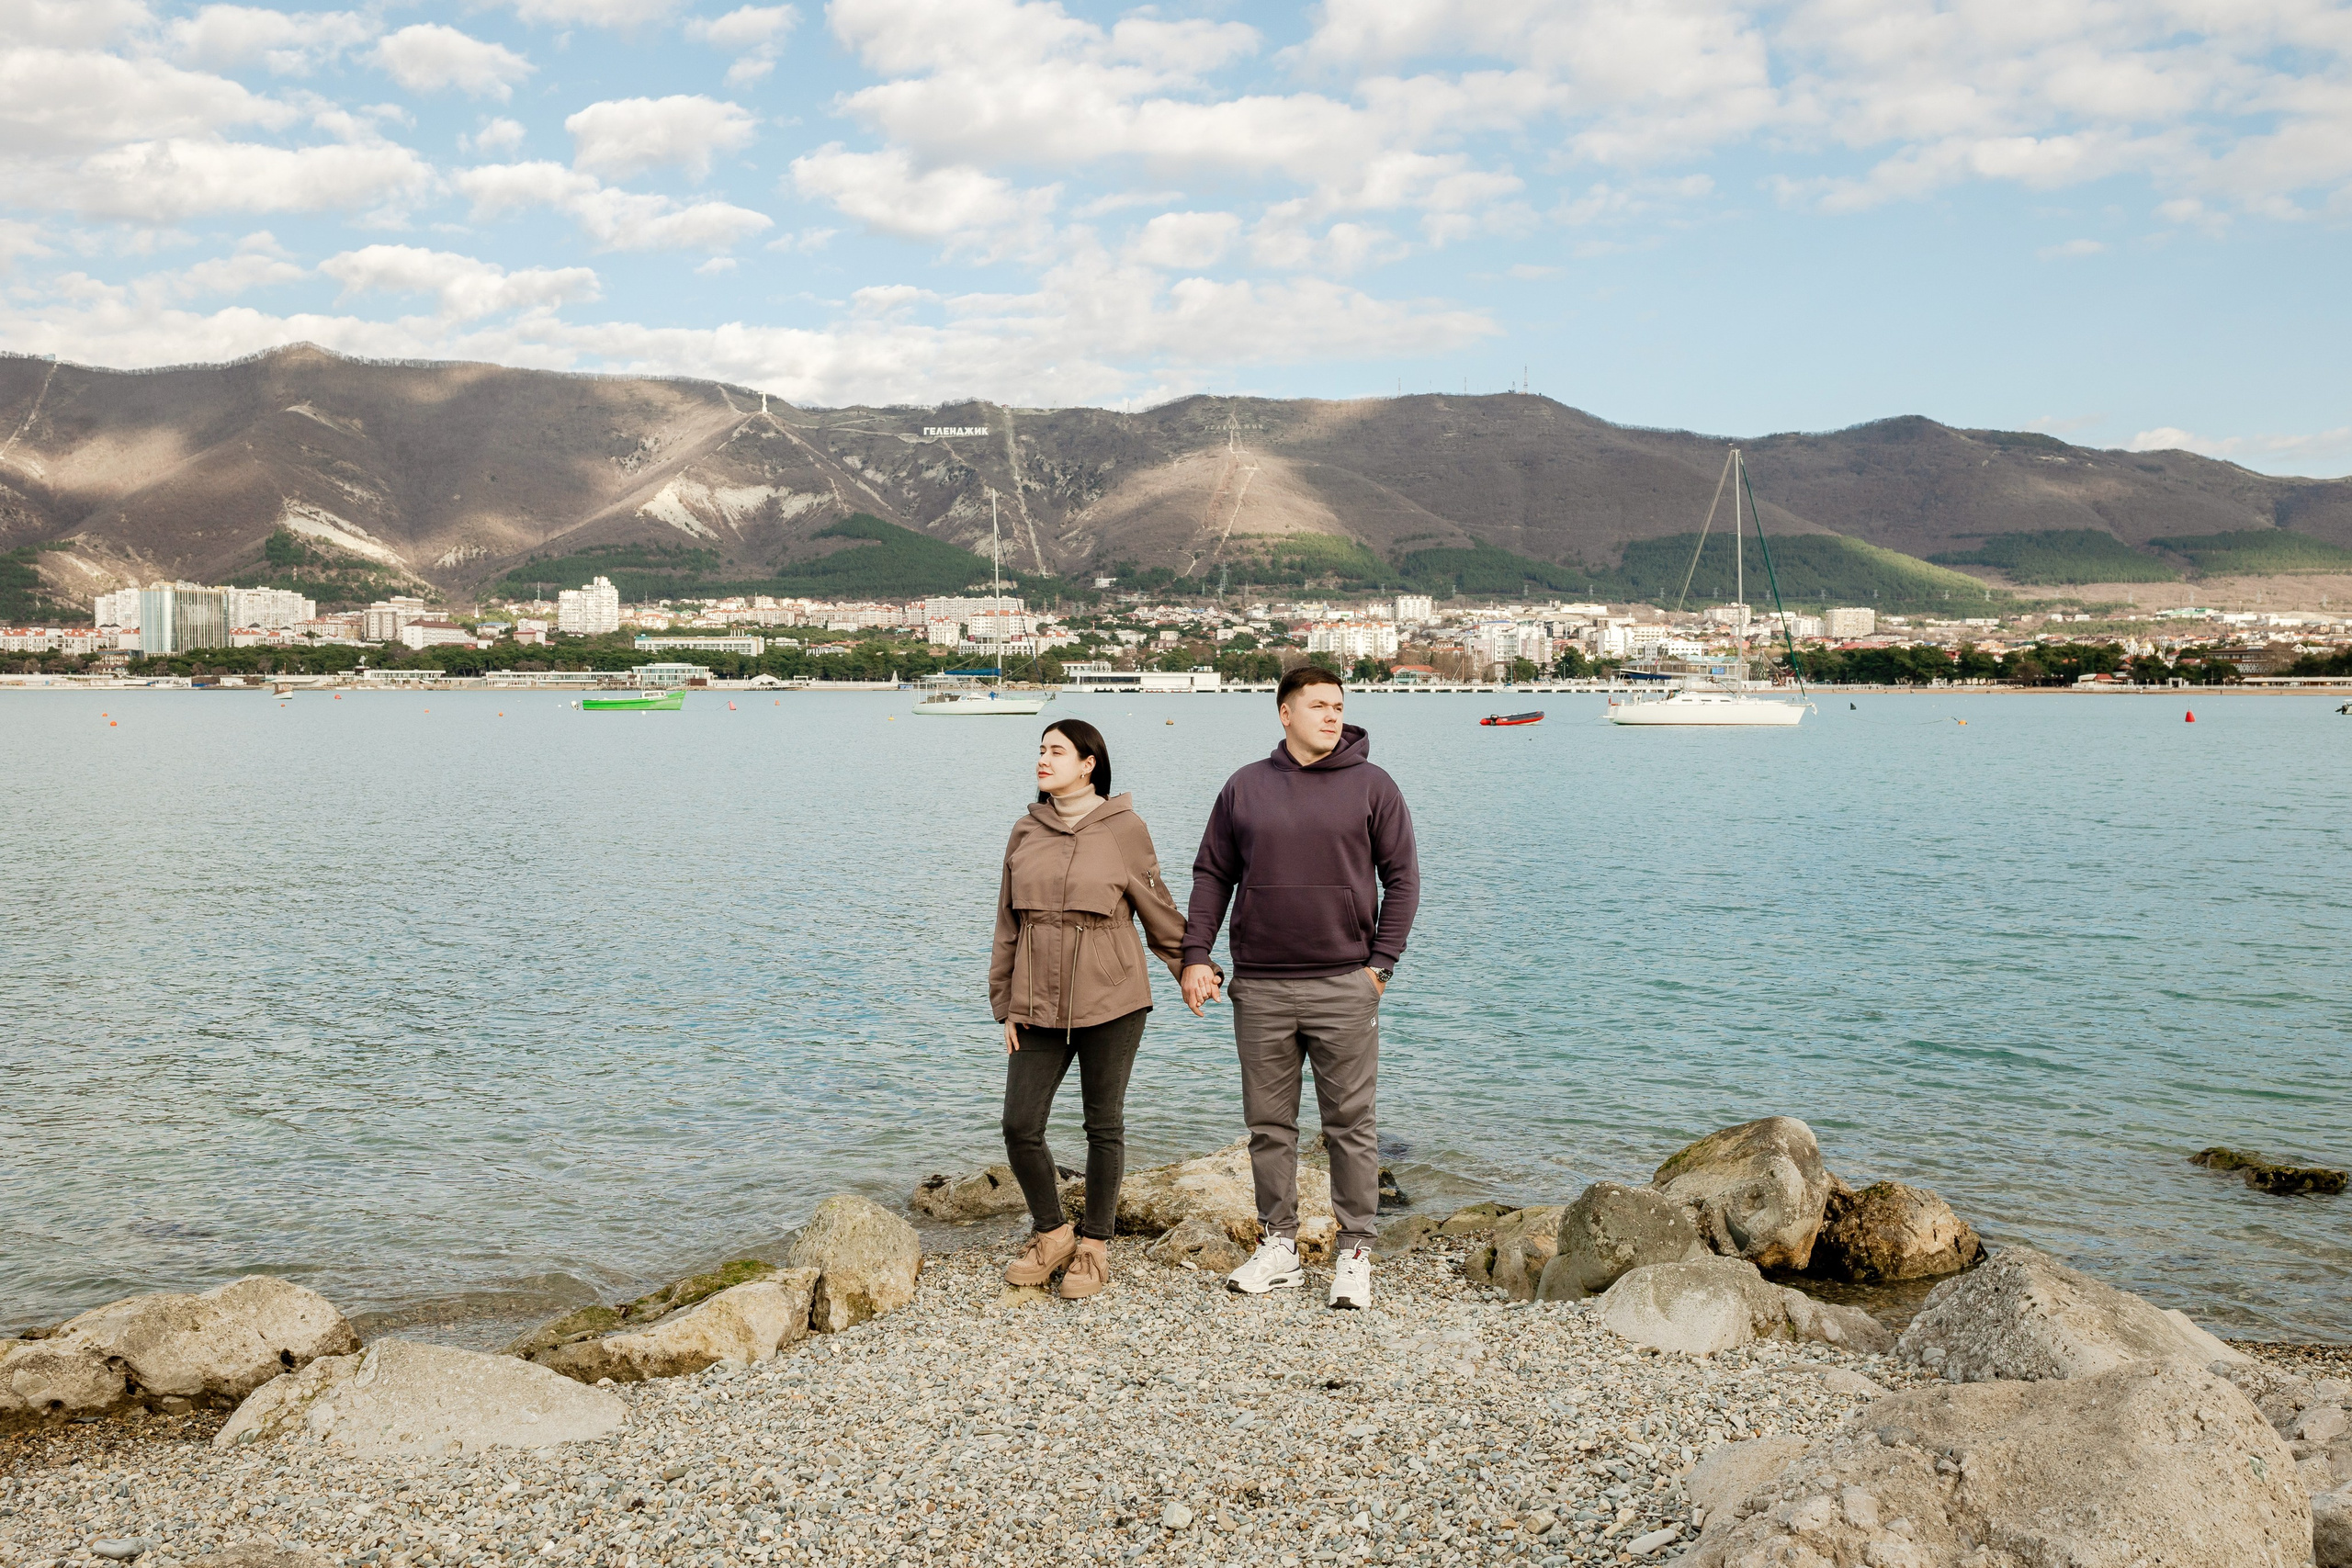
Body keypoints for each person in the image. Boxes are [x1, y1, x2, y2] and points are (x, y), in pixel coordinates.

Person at [1180, 666, 1419, 1309]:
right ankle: (1278, 1245)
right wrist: (1195, 954)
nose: (1333, 715)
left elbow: (1404, 879)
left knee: (1351, 1125)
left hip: (1345, 983)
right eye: (1318, 705)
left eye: (1338, 706)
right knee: (1269, 1126)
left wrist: (1381, 966)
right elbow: (1211, 876)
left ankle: (1356, 1251)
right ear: (1284, 713)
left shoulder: (1374, 786)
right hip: (1259, 985)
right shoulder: (1245, 787)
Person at [990, 718, 1188, 1300]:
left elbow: (1157, 908)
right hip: (1035, 1003)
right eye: (1040, 750)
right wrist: (1004, 1003)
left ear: (1088, 763)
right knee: (1020, 1124)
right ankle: (1052, 1232)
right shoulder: (1025, 830)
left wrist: (1191, 968)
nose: (1043, 759)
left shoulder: (1125, 828)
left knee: (1103, 1124)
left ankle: (1096, 1245)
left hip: (1114, 999)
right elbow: (1007, 923)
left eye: (1056, 751)